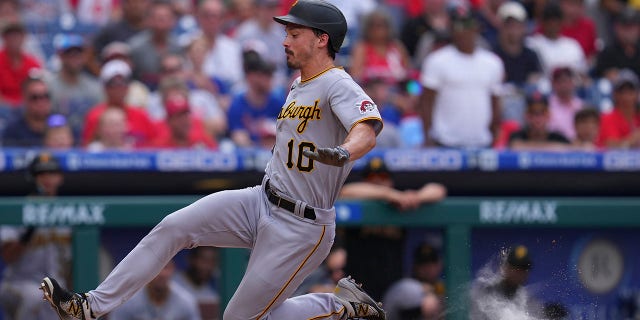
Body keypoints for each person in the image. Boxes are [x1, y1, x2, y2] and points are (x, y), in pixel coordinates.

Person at [40, 1, 386, 320]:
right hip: (261, 199)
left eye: (295, 34)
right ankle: (90, 307)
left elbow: (367, 129)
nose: (285, 41)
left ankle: (341, 307)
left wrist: (345, 151)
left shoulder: (337, 83)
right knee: (173, 227)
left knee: (239, 318)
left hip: (302, 225)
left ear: (322, 40)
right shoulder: (298, 84)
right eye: (286, 33)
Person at [417, 5, 504, 148]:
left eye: (467, 25)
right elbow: (426, 103)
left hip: (482, 143)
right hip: (445, 143)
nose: (463, 31)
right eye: (458, 26)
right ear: (451, 29)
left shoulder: (493, 63)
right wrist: (427, 137)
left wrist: (494, 134)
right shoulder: (436, 60)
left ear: (476, 27)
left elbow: (495, 102)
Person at [0, 153, 71, 320]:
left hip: (56, 285)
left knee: (74, 308)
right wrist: (29, 230)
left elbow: (71, 265)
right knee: (34, 297)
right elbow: (8, 257)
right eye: (41, 174)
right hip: (18, 284)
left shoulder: (69, 212)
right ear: (33, 179)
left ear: (60, 178)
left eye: (52, 173)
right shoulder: (18, 210)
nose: (47, 179)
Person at [81, 59, 156, 147]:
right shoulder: (94, 116)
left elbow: (153, 146)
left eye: (123, 82)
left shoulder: (141, 115)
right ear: (105, 87)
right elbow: (86, 148)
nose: (119, 87)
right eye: (113, 83)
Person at [46, 34, 104, 141]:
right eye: (69, 53)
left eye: (78, 54)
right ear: (61, 56)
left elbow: (99, 120)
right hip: (57, 141)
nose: (74, 58)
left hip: (88, 140)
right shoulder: (48, 85)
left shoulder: (94, 87)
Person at [226, 49, 284, 148]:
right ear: (251, 77)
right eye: (265, 75)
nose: (270, 80)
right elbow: (238, 136)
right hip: (247, 157)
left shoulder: (277, 103)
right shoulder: (237, 104)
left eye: (270, 75)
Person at [108, 260, 202, 320]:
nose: (161, 274)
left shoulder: (186, 301)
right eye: (156, 268)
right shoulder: (128, 299)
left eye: (165, 267)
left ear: (172, 269)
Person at [469, 245, 539, 320]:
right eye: (515, 267)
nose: (519, 272)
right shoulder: (485, 293)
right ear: (505, 268)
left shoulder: (528, 301)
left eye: (523, 268)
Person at [382, 243, 445, 320]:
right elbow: (428, 306)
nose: (428, 268)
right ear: (415, 266)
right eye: (423, 263)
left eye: (432, 263)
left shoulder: (443, 286)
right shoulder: (404, 286)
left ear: (439, 265)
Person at [149, 91, 218, 149]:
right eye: (179, 117)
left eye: (186, 115)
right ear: (168, 121)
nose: (184, 121)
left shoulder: (204, 142)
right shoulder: (158, 146)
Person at [0, 19, 42, 108]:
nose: (14, 39)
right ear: (4, 38)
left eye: (17, 35)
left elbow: (37, 91)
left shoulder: (32, 63)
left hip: (28, 108)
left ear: (23, 37)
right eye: (10, 35)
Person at [1, 76, 52, 147]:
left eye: (45, 96)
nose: (41, 102)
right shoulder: (13, 131)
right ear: (24, 99)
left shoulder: (60, 124)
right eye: (35, 97)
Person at [173, 247, 221, 320]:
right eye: (203, 260)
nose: (207, 266)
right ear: (191, 259)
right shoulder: (173, 282)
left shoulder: (211, 295)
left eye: (211, 261)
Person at [593, 7, 640, 80]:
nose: (628, 32)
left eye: (632, 27)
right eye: (625, 27)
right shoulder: (606, 54)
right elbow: (597, 83)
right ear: (616, 27)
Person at [597, 69, 640, 149]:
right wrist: (634, 138)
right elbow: (610, 145)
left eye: (631, 91)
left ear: (637, 94)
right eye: (622, 92)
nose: (626, 96)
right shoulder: (607, 118)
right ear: (614, 94)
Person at [547, 66, 584, 141]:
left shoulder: (580, 106)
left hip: (578, 146)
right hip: (554, 145)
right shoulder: (547, 105)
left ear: (573, 83)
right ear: (553, 84)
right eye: (559, 81)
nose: (563, 85)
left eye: (567, 81)